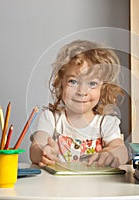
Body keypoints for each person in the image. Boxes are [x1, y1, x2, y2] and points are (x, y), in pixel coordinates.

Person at [29, 40, 128, 168]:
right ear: (61, 83)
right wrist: (44, 152)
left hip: (98, 187)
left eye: (92, 83)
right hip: (58, 187)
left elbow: (121, 150)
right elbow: (36, 147)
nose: (82, 91)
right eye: (73, 82)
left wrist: (110, 154)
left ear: (103, 89)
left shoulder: (106, 123)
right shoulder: (51, 119)